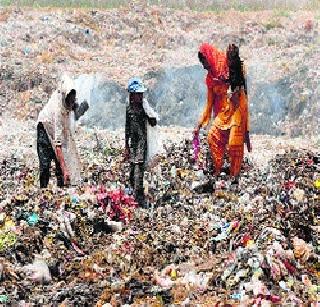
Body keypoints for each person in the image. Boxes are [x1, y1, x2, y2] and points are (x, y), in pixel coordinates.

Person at [194, 43, 251, 180]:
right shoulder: (210, 79)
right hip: (223, 114)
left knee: (233, 143)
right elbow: (209, 105)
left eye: (204, 62)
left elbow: (241, 76)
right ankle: (218, 169)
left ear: (210, 57)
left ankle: (234, 174)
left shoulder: (228, 63)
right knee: (212, 136)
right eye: (202, 63)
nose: (204, 66)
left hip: (237, 109)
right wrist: (199, 124)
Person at [37, 74, 89, 188]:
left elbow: (75, 111)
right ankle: (43, 188)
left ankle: (62, 187)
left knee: (60, 163)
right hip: (45, 127)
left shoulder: (69, 95)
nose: (71, 104)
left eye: (73, 101)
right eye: (69, 102)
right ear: (65, 98)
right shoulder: (58, 111)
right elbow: (58, 145)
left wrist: (80, 110)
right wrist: (65, 169)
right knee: (45, 164)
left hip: (56, 127)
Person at [124, 77, 159, 207]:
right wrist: (126, 146)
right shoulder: (128, 108)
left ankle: (139, 197)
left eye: (141, 94)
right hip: (133, 143)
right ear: (132, 95)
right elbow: (127, 127)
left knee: (139, 169)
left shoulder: (144, 107)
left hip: (142, 143)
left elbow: (153, 122)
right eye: (138, 94)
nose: (140, 96)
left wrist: (150, 114)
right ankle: (134, 193)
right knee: (132, 170)